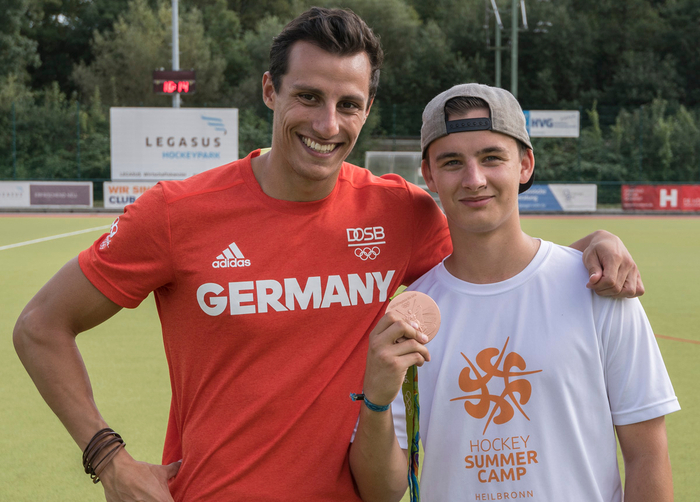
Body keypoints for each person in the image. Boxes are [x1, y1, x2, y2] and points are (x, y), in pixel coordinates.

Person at [13, 8, 642, 502]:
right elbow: (41, 327)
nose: (327, 124)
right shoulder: (176, 213)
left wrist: (591, 248)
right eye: (309, 97)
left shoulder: (401, 213)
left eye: (349, 105)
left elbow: (497, 266)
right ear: (270, 90)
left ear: (367, 109)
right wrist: (109, 459)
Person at [349, 83, 679, 502]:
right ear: (428, 175)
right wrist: (376, 399)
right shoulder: (411, 317)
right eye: (452, 162)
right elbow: (381, 492)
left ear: (525, 165)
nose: (474, 179)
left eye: (491, 158)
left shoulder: (600, 287)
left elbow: (647, 456)